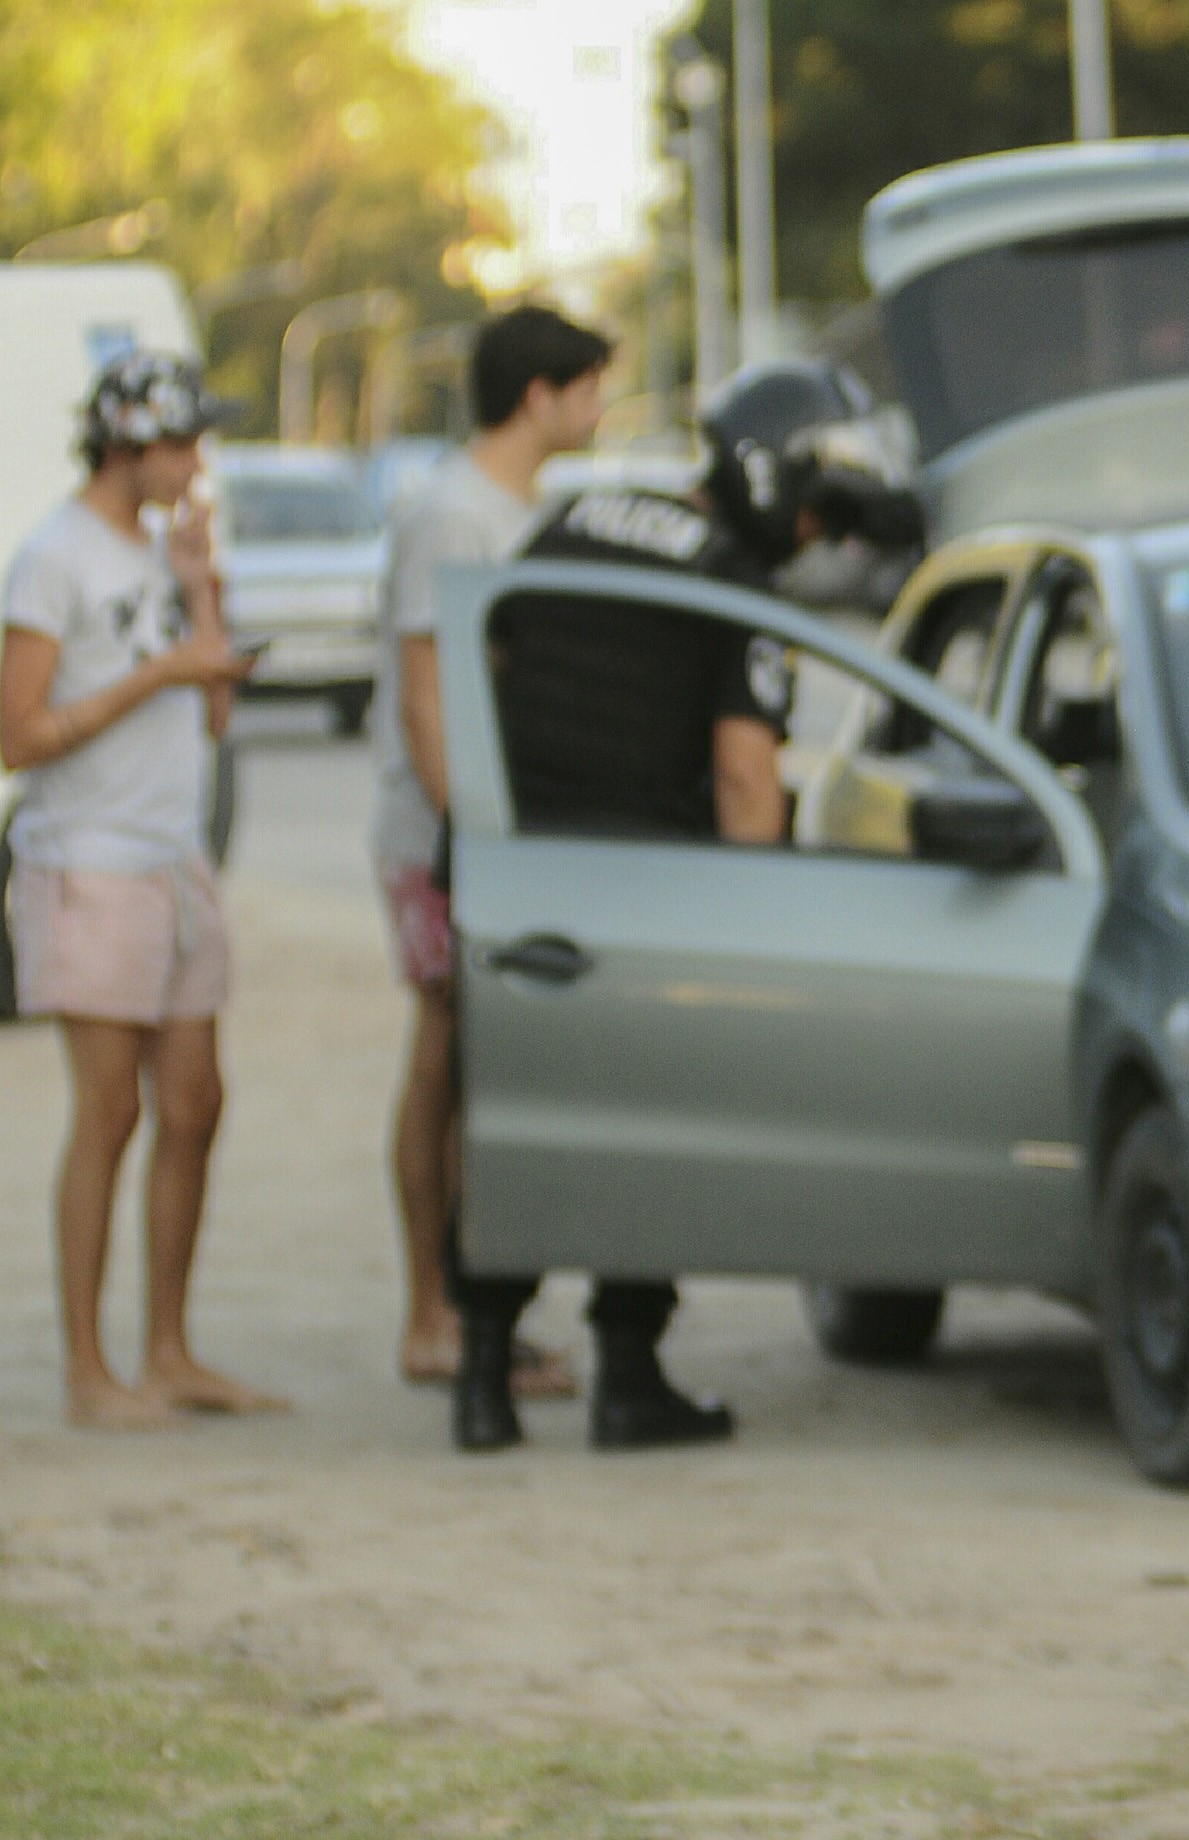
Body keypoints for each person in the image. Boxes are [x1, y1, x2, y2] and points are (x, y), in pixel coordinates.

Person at [450, 356, 921, 1454]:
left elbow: (494, 671)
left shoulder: (573, 521)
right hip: (639, 901)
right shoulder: (731, 586)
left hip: (513, 886)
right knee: (634, 1143)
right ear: (772, 481)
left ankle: (483, 1380)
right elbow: (749, 785)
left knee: (512, 1135)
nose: (811, 536)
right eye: (812, 511)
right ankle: (626, 1380)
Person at [0, 352, 282, 1429]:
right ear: (128, 445)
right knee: (109, 1112)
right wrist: (154, 673)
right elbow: (19, 732)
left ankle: (170, 1348)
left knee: (196, 1104)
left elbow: (212, 714)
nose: (196, 463)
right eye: (182, 443)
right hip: (90, 858)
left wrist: (204, 594)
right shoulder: (52, 559)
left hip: (174, 856)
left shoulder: (169, 551)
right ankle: (88, 1368)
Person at [370, 305, 608, 1400]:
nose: (600, 408)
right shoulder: (449, 515)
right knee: (445, 1063)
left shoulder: (519, 510)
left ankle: (469, 1309)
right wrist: (472, 839)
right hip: (447, 840)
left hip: (496, 833)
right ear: (538, 395)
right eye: (589, 388)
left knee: (475, 1068)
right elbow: (427, 701)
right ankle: (433, 1314)